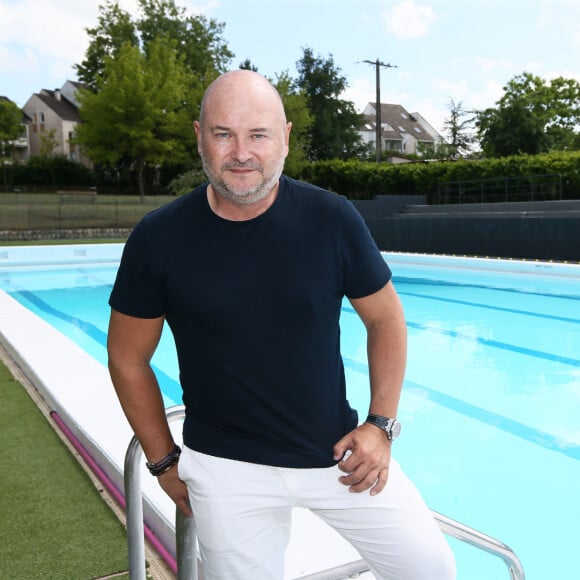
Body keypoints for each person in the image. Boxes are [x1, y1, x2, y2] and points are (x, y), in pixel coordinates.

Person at [107, 69, 456, 580]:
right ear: (199, 135)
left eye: (259, 134)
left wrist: (381, 425)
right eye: (224, 133)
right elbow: (127, 357)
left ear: (285, 138)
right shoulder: (158, 238)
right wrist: (162, 461)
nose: (241, 152)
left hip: (337, 457)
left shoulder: (331, 218)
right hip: (226, 469)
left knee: (431, 569)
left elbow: (386, 319)